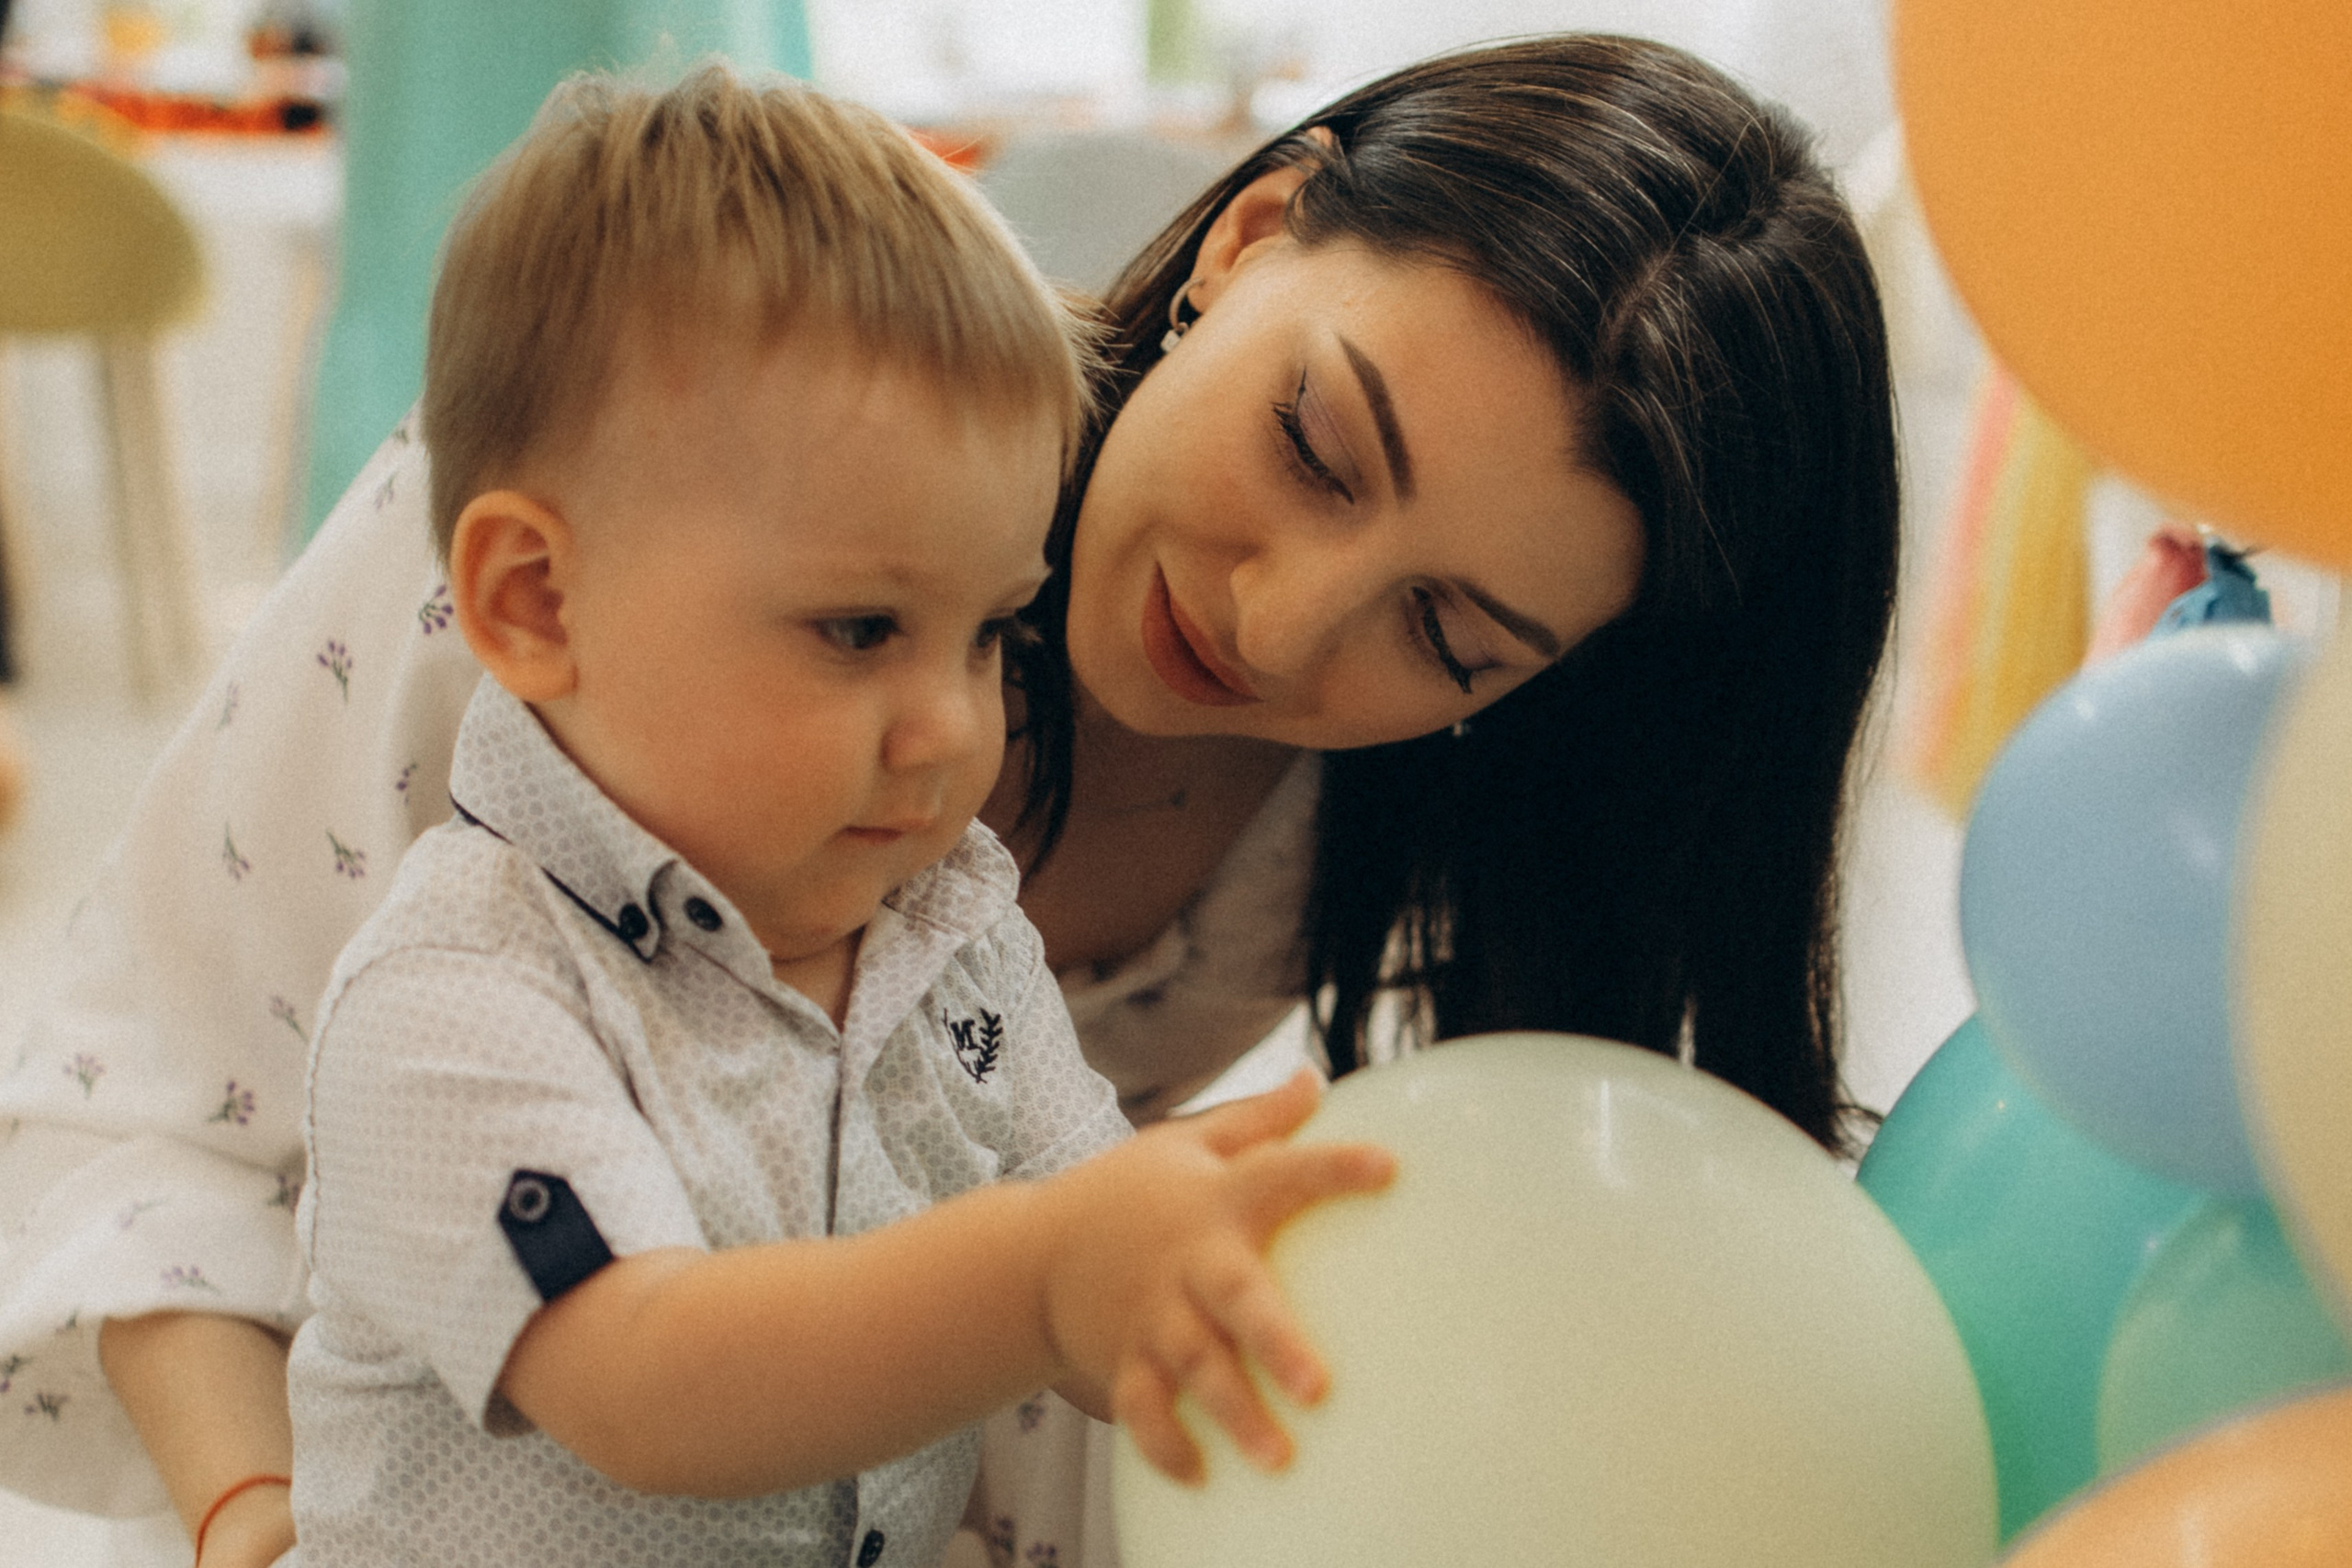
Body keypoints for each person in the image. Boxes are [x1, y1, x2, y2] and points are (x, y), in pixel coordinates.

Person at [0, 33, 1899, 1568]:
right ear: (1246, 237)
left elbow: (1071, 1208)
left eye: (1452, 635)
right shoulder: (614, 531)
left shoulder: (1034, 911)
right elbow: (164, 1124)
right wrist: (258, 1523)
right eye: (1312, 447)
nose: (1275, 618)